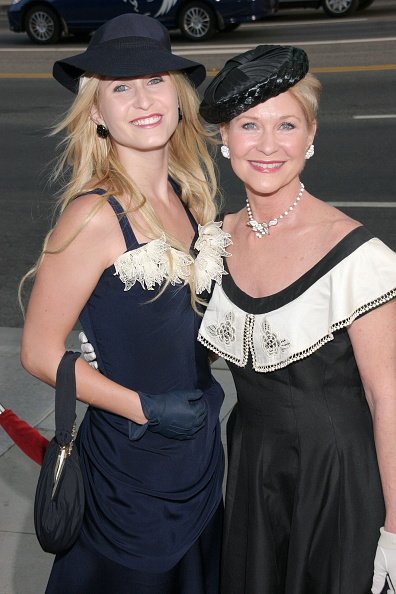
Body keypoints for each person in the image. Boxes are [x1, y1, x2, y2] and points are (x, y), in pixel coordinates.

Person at [20, 13, 232, 594]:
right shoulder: (92, 214)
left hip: (198, 466)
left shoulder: (191, 201)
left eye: (155, 80)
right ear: (96, 112)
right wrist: (144, 407)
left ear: (180, 96)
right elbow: (38, 352)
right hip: (127, 479)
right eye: (120, 87)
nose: (142, 99)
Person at [196, 45, 396, 593]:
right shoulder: (215, 240)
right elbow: (209, 348)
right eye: (248, 125)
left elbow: (389, 397)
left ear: (310, 136)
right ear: (225, 140)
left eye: (286, 124)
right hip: (254, 466)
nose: (267, 145)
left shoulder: (357, 255)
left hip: (339, 479)